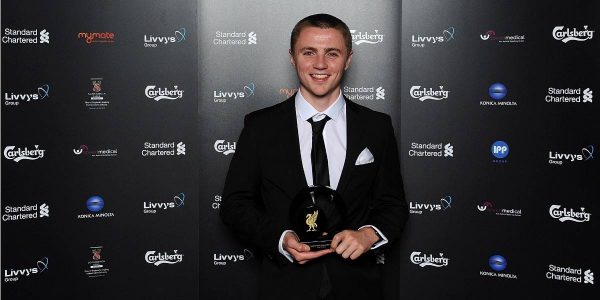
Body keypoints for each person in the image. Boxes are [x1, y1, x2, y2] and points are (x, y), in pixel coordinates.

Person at [220, 13, 408, 300]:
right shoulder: (260, 127)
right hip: (285, 286)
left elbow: (392, 204)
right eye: (309, 52)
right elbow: (235, 204)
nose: (320, 64)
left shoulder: (376, 127)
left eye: (332, 53)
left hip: (358, 287)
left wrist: (368, 235)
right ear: (292, 57)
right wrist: (280, 239)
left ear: (348, 60)